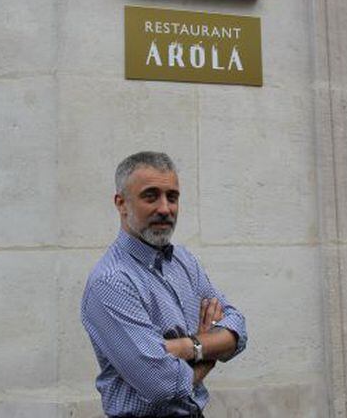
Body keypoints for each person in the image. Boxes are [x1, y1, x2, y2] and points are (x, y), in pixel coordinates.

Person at [81, 151, 247, 418]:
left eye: (172, 197)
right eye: (151, 196)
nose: (165, 208)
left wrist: (184, 348)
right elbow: (162, 385)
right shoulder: (112, 281)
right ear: (121, 203)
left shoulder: (184, 261)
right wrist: (209, 354)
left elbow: (238, 328)